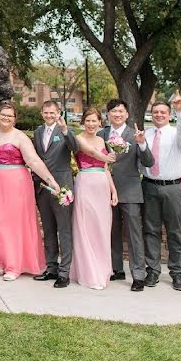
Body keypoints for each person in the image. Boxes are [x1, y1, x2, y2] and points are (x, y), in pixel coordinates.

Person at [0, 103, 61, 281]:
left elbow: (33, 161)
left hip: (17, 182)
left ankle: (14, 265)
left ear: (15, 119)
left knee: (14, 224)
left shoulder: (20, 137)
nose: (6, 118)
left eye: (10, 116)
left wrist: (50, 180)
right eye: (3, 114)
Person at [140, 90, 181, 291]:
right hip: (149, 186)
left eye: (163, 112)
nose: (159, 115)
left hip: (172, 188)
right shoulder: (145, 134)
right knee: (151, 230)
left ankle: (177, 273)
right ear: (151, 114)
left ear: (169, 114)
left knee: (174, 232)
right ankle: (152, 270)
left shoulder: (178, 134)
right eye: (155, 112)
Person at [99, 98, 154, 292]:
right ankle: (116, 268)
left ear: (127, 114)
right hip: (105, 189)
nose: (117, 114)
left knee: (134, 234)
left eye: (121, 111)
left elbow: (148, 162)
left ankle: (138, 274)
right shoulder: (100, 134)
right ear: (108, 115)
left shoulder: (135, 135)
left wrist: (142, 144)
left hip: (130, 189)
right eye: (113, 111)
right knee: (111, 230)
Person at [69, 107, 119, 290]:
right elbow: (91, 153)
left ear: (100, 122)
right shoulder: (79, 138)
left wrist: (113, 191)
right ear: (83, 122)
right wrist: (109, 157)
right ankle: (88, 274)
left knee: (101, 229)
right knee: (85, 228)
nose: (91, 124)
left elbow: (105, 169)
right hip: (86, 183)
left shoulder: (102, 140)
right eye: (88, 120)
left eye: (94, 121)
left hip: (102, 187)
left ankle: (102, 270)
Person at [31, 100, 78, 288]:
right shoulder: (37, 132)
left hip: (62, 187)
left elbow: (75, 147)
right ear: (42, 113)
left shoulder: (64, 130)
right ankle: (51, 267)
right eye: (46, 112)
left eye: (53, 113)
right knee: (49, 229)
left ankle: (64, 272)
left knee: (64, 230)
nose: (49, 116)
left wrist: (65, 130)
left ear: (59, 113)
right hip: (43, 187)